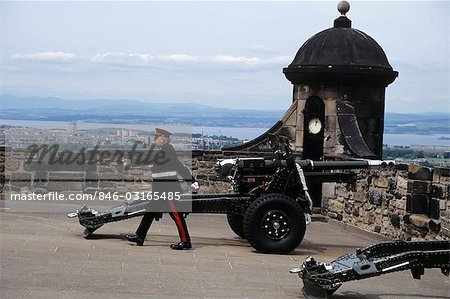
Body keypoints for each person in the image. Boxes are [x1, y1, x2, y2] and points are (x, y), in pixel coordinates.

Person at [125, 128, 196, 250]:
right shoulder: (165, 150)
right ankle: (139, 236)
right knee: (150, 212)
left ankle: (186, 241)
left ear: (163, 140)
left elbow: (178, 166)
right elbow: (179, 166)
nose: (154, 140)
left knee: (176, 214)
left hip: (168, 188)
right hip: (160, 188)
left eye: (156, 138)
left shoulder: (166, 152)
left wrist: (191, 181)